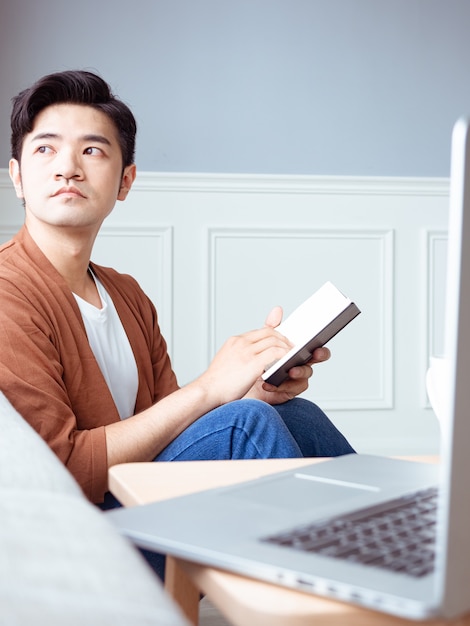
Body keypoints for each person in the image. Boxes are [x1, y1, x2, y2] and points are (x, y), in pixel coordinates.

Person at [0, 70, 354, 574]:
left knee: (293, 414)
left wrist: (253, 387)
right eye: (45, 150)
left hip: (143, 502)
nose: (68, 169)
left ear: (125, 181)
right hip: (77, 535)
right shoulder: (8, 291)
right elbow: (67, 471)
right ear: (16, 176)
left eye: (92, 151)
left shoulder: (125, 294)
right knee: (242, 422)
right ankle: (335, 586)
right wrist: (213, 389)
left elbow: (173, 430)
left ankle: (402, 559)